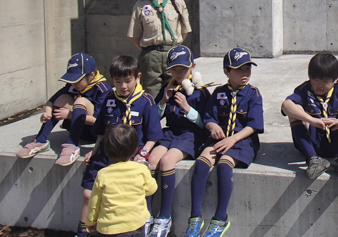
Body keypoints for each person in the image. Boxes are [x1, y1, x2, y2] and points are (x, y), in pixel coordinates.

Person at [76, 55, 163, 237]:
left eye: (128, 81)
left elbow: (153, 136)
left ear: (138, 77)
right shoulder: (109, 99)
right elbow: (101, 130)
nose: (123, 86)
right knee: (87, 194)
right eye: (118, 81)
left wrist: (144, 154)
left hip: (130, 158)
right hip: (106, 155)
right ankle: (82, 232)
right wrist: (94, 150)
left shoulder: (146, 101)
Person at [184, 48, 264, 237]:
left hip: (242, 141)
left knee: (224, 165)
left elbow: (253, 126)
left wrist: (233, 139)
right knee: (203, 162)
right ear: (226, 72)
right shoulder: (218, 93)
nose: (245, 74)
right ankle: (195, 216)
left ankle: (220, 218)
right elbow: (209, 118)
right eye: (239, 70)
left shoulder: (253, 94)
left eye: (248, 69)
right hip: (220, 139)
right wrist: (213, 127)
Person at [147, 45, 211, 237]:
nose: (179, 73)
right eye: (174, 69)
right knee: (151, 160)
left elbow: (205, 123)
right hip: (170, 133)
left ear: (192, 67)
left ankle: (164, 216)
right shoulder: (167, 89)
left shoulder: (200, 92)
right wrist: (163, 102)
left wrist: (187, 109)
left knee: (167, 161)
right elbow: (155, 118)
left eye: (183, 69)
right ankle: (147, 214)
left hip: (191, 136)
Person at [281, 52, 338, 180]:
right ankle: (313, 160)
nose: (320, 85)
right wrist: (311, 120)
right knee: (295, 110)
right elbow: (286, 105)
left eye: (325, 81)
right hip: (313, 142)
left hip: (336, 141)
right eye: (315, 80)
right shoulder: (304, 90)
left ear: (335, 79)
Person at [16, 53, 112, 167]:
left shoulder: (103, 90)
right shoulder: (72, 86)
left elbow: (100, 122)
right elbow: (50, 102)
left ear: (91, 75)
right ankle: (40, 140)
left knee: (80, 101)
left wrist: (70, 115)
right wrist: (47, 112)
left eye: (77, 80)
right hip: (78, 127)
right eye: (72, 80)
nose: (73, 84)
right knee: (63, 98)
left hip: (93, 133)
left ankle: (72, 145)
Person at [127, 0, 192, 98]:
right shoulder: (140, 6)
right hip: (151, 55)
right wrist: (151, 51)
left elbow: (184, 30)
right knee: (151, 93)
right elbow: (135, 35)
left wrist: (172, 47)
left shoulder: (177, 2)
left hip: (174, 54)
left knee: (176, 90)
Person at [85, 124, 158, 237]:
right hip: (136, 224)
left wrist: (90, 221)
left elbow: (95, 202)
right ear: (135, 149)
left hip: (109, 228)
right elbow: (151, 189)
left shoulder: (103, 174)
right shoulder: (141, 169)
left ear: (107, 151)